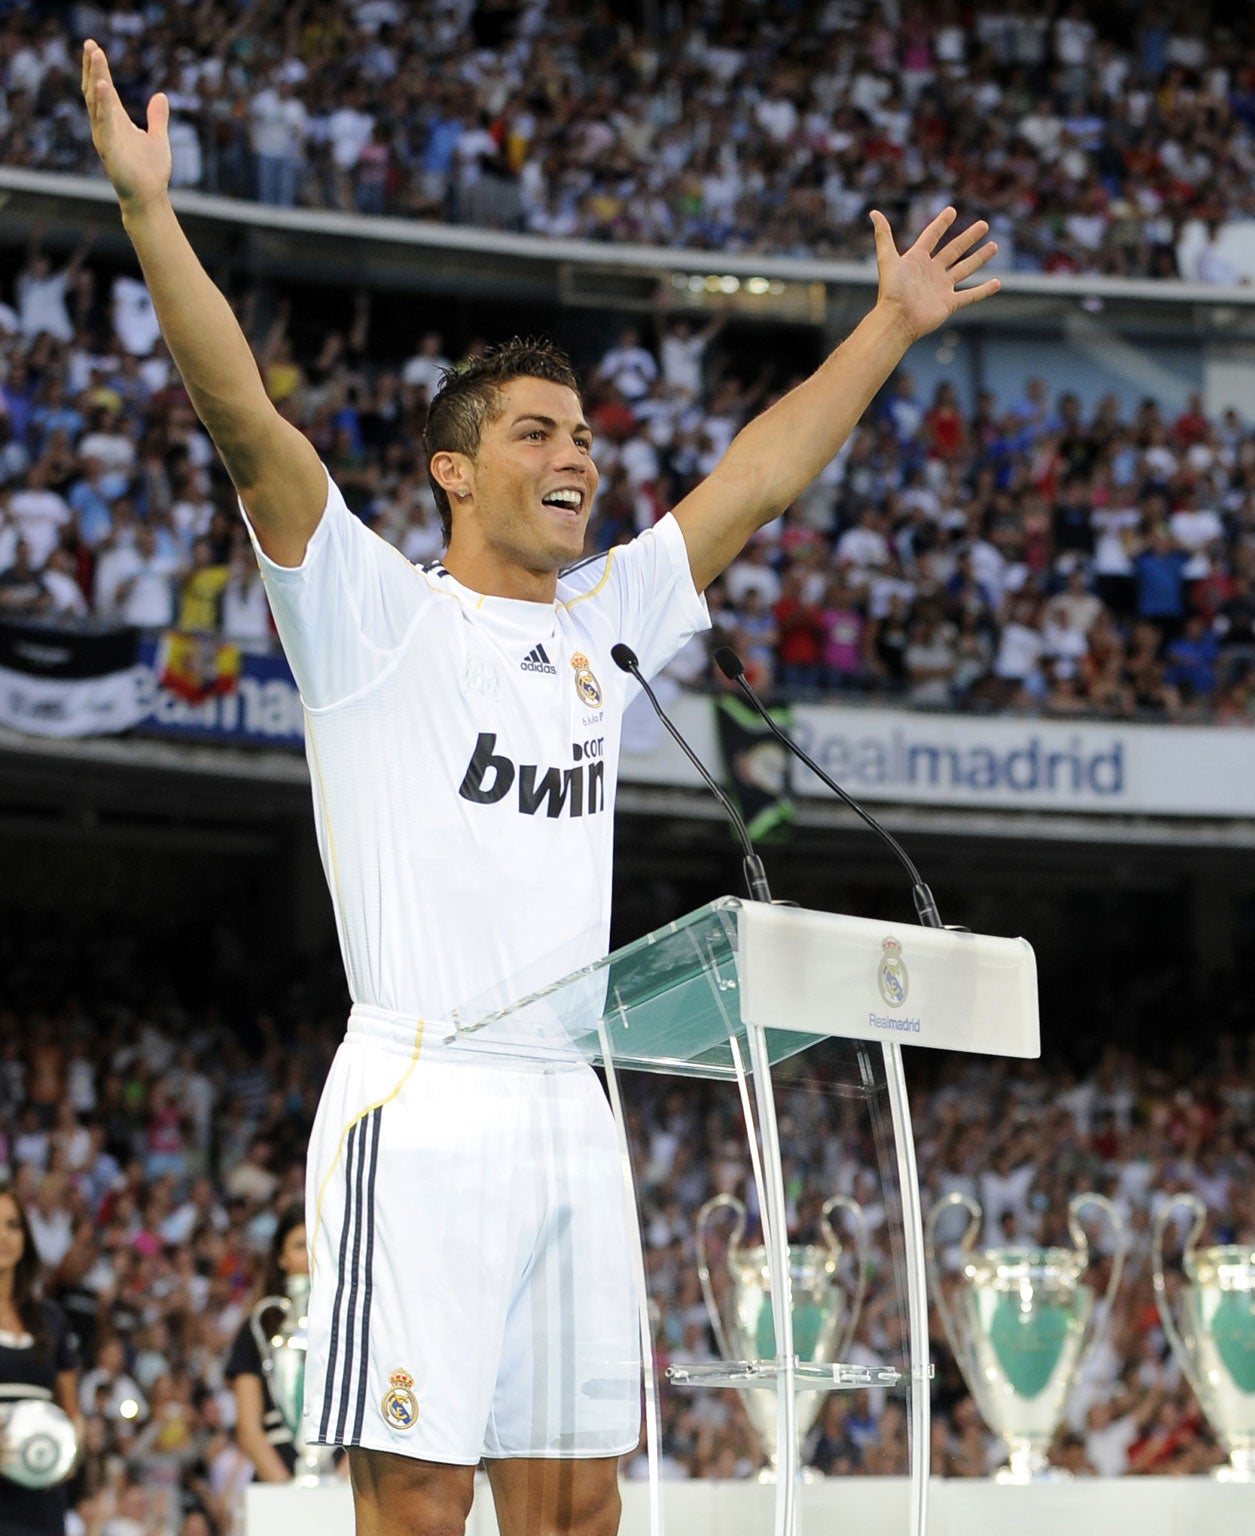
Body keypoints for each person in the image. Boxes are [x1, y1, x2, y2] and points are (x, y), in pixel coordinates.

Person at [81, 38, 999, 1536]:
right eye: (537, 434)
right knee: (419, 1509)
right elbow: (247, 421)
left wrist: (890, 326)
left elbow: (757, 479)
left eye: (584, 436)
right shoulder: (374, 617)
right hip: (421, 1095)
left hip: (575, 1103)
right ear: (454, 471)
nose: (579, 457)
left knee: (578, 1510)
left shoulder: (607, 625)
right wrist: (149, 216)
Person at [0, 1188, 83, 1536]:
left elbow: (72, 1411)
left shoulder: (50, 1318)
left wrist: (69, 1456)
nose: (3, 1236)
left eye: (13, 1225)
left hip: (42, 1498)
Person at [225, 1207, 307, 1484]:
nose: (311, 1256)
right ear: (281, 1257)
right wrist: (288, 1490)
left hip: (347, 1485)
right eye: (300, 1245)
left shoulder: (351, 1327)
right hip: (277, 1481)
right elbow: (248, 1427)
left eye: (320, 1245)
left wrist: (340, 1483)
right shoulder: (258, 1328)